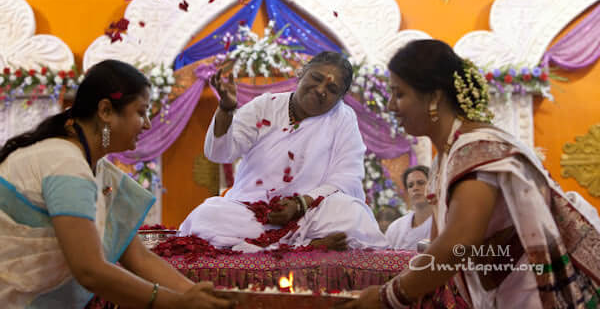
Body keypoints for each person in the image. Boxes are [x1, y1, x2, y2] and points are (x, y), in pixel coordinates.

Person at [340, 40, 600, 309]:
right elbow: (441, 247)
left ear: (434, 97)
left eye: (399, 94)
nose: (392, 105)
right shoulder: (448, 156)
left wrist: (388, 297)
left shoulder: (477, 151)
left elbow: (458, 244)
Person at [0, 60, 232, 308]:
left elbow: (139, 257)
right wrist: (175, 303)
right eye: (141, 112)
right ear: (106, 111)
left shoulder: (99, 171)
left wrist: (198, 296)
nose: (147, 124)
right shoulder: (63, 163)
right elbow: (89, 270)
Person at [179, 51, 388, 252]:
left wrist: (299, 205)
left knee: (351, 215)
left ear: (341, 97)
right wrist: (225, 110)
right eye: (316, 78)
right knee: (207, 217)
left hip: (309, 214)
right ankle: (306, 246)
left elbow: (346, 178)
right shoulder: (264, 106)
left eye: (332, 89)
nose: (321, 89)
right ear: (301, 73)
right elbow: (219, 154)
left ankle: (292, 244)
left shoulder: (343, 119)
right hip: (251, 214)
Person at [384, 165, 432, 251]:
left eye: (421, 183)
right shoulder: (395, 228)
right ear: (407, 192)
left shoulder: (442, 223)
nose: (415, 188)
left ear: (433, 186)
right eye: (410, 185)